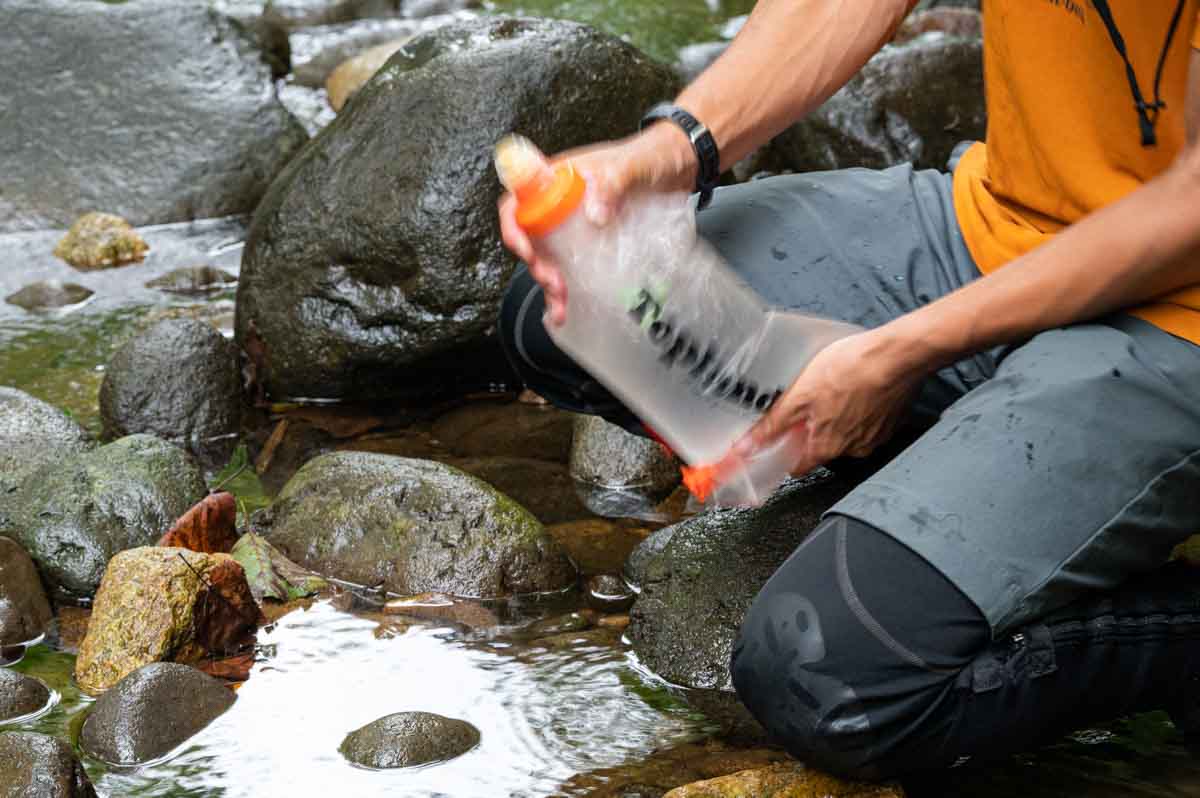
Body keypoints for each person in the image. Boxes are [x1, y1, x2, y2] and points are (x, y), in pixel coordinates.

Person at [496, 0, 1200, 779]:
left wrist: (899, 353)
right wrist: (672, 149)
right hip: (996, 229)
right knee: (573, 310)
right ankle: (960, 487)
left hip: (1183, 319)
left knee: (829, 680)